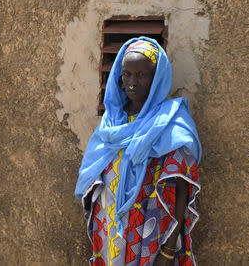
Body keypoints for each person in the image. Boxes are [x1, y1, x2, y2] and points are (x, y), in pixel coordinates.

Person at [75, 37, 201, 266]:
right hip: (110, 231)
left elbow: (182, 189)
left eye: (141, 75)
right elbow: (91, 175)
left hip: (151, 232)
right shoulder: (112, 123)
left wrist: (169, 249)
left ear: (156, 79)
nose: (132, 82)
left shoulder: (171, 123)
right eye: (127, 74)